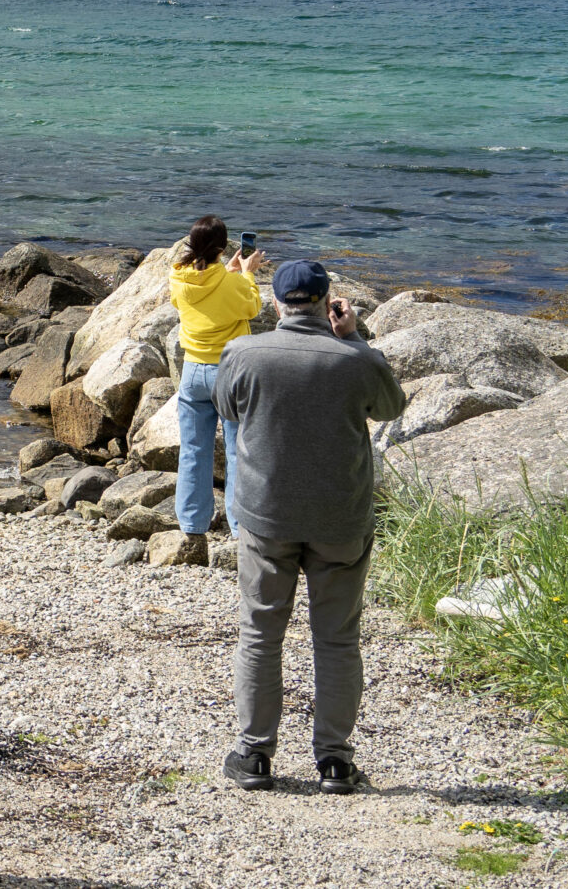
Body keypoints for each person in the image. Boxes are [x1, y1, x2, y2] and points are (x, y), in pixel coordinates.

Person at [213, 258, 407, 796]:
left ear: (276, 303)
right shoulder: (355, 359)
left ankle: (254, 756)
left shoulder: (245, 353)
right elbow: (392, 404)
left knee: (259, 635)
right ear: (328, 303)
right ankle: (336, 763)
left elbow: (228, 407)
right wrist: (357, 337)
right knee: (338, 640)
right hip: (340, 519)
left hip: (266, 516)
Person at [168, 217, 267, 538]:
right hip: (230, 371)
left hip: (193, 371)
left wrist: (230, 273)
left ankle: (192, 524)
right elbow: (251, 307)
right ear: (223, 249)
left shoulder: (178, 277)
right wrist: (248, 274)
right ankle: (239, 527)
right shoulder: (233, 282)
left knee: (194, 449)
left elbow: (200, 292)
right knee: (238, 449)